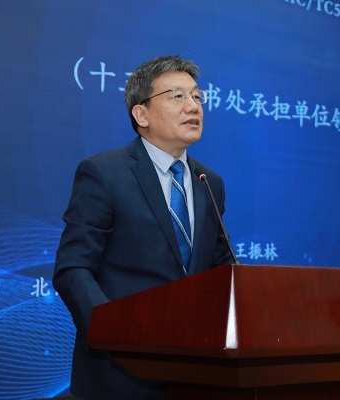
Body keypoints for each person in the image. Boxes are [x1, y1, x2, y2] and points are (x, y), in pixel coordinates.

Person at [53, 55, 236, 400]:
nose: (193, 106)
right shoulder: (105, 173)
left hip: (197, 371)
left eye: (197, 96)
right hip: (121, 372)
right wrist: (112, 333)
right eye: (177, 96)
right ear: (141, 114)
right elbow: (73, 268)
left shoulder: (208, 181)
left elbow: (221, 268)